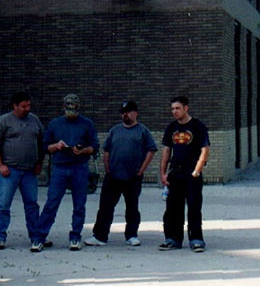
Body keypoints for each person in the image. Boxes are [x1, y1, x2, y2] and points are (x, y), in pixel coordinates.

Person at [31, 93, 99, 251]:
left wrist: (83, 150)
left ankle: (75, 237)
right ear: (63, 107)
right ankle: (39, 237)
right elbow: (45, 146)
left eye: (74, 107)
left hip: (79, 168)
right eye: (68, 107)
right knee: (51, 204)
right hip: (59, 168)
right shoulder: (55, 124)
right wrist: (57, 146)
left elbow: (94, 146)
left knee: (79, 205)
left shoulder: (87, 124)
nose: (71, 110)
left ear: (78, 107)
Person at [85, 101, 157, 247]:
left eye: (128, 112)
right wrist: (107, 168)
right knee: (105, 207)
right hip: (113, 176)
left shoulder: (143, 131)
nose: (125, 114)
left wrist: (141, 170)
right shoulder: (115, 130)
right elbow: (106, 150)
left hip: (133, 176)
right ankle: (100, 236)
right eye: (123, 112)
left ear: (135, 113)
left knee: (132, 207)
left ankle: (131, 235)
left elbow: (151, 150)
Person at [0, 92, 44, 250]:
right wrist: (0, 165)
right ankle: (0, 237)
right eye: (23, 106)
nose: (27, 109)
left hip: (29, 171)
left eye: (28, 106)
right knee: (3, 205)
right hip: (9, 171)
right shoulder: (3, 121)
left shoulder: (35, 120)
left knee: (32, 205)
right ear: (15, 105)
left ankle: (36, 237)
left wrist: (40, 162)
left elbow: (41, 142)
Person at [159, 96, 210, 252]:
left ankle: (196, 240)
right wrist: (163, 173)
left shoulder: (197, 126)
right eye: (172, 109)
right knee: (173, 208)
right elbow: (167, 150)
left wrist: (197, 170)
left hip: (192, 174)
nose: (175, 111)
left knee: (194, 207)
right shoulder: (171, 127)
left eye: (177, 108)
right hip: (175, 173)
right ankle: (173, 239)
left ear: (186, 108)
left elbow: (205, 150)